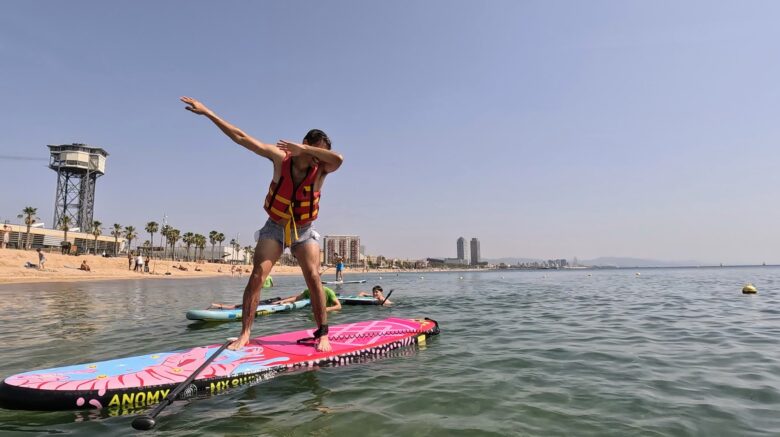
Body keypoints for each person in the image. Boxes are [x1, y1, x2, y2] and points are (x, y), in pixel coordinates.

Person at [182, 96, 343, 352]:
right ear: (304, 144)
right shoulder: (280, 158)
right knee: (257, 276)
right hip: (275, 227)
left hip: (303, 231)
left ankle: (323, 333)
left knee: (313, 277)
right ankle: (245, 334)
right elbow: (242, 137)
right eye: (314, 151)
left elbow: (338, 159)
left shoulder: (322, 169)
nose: (317, 159)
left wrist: (310, 152)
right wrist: (208, 113)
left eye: (320, 154)